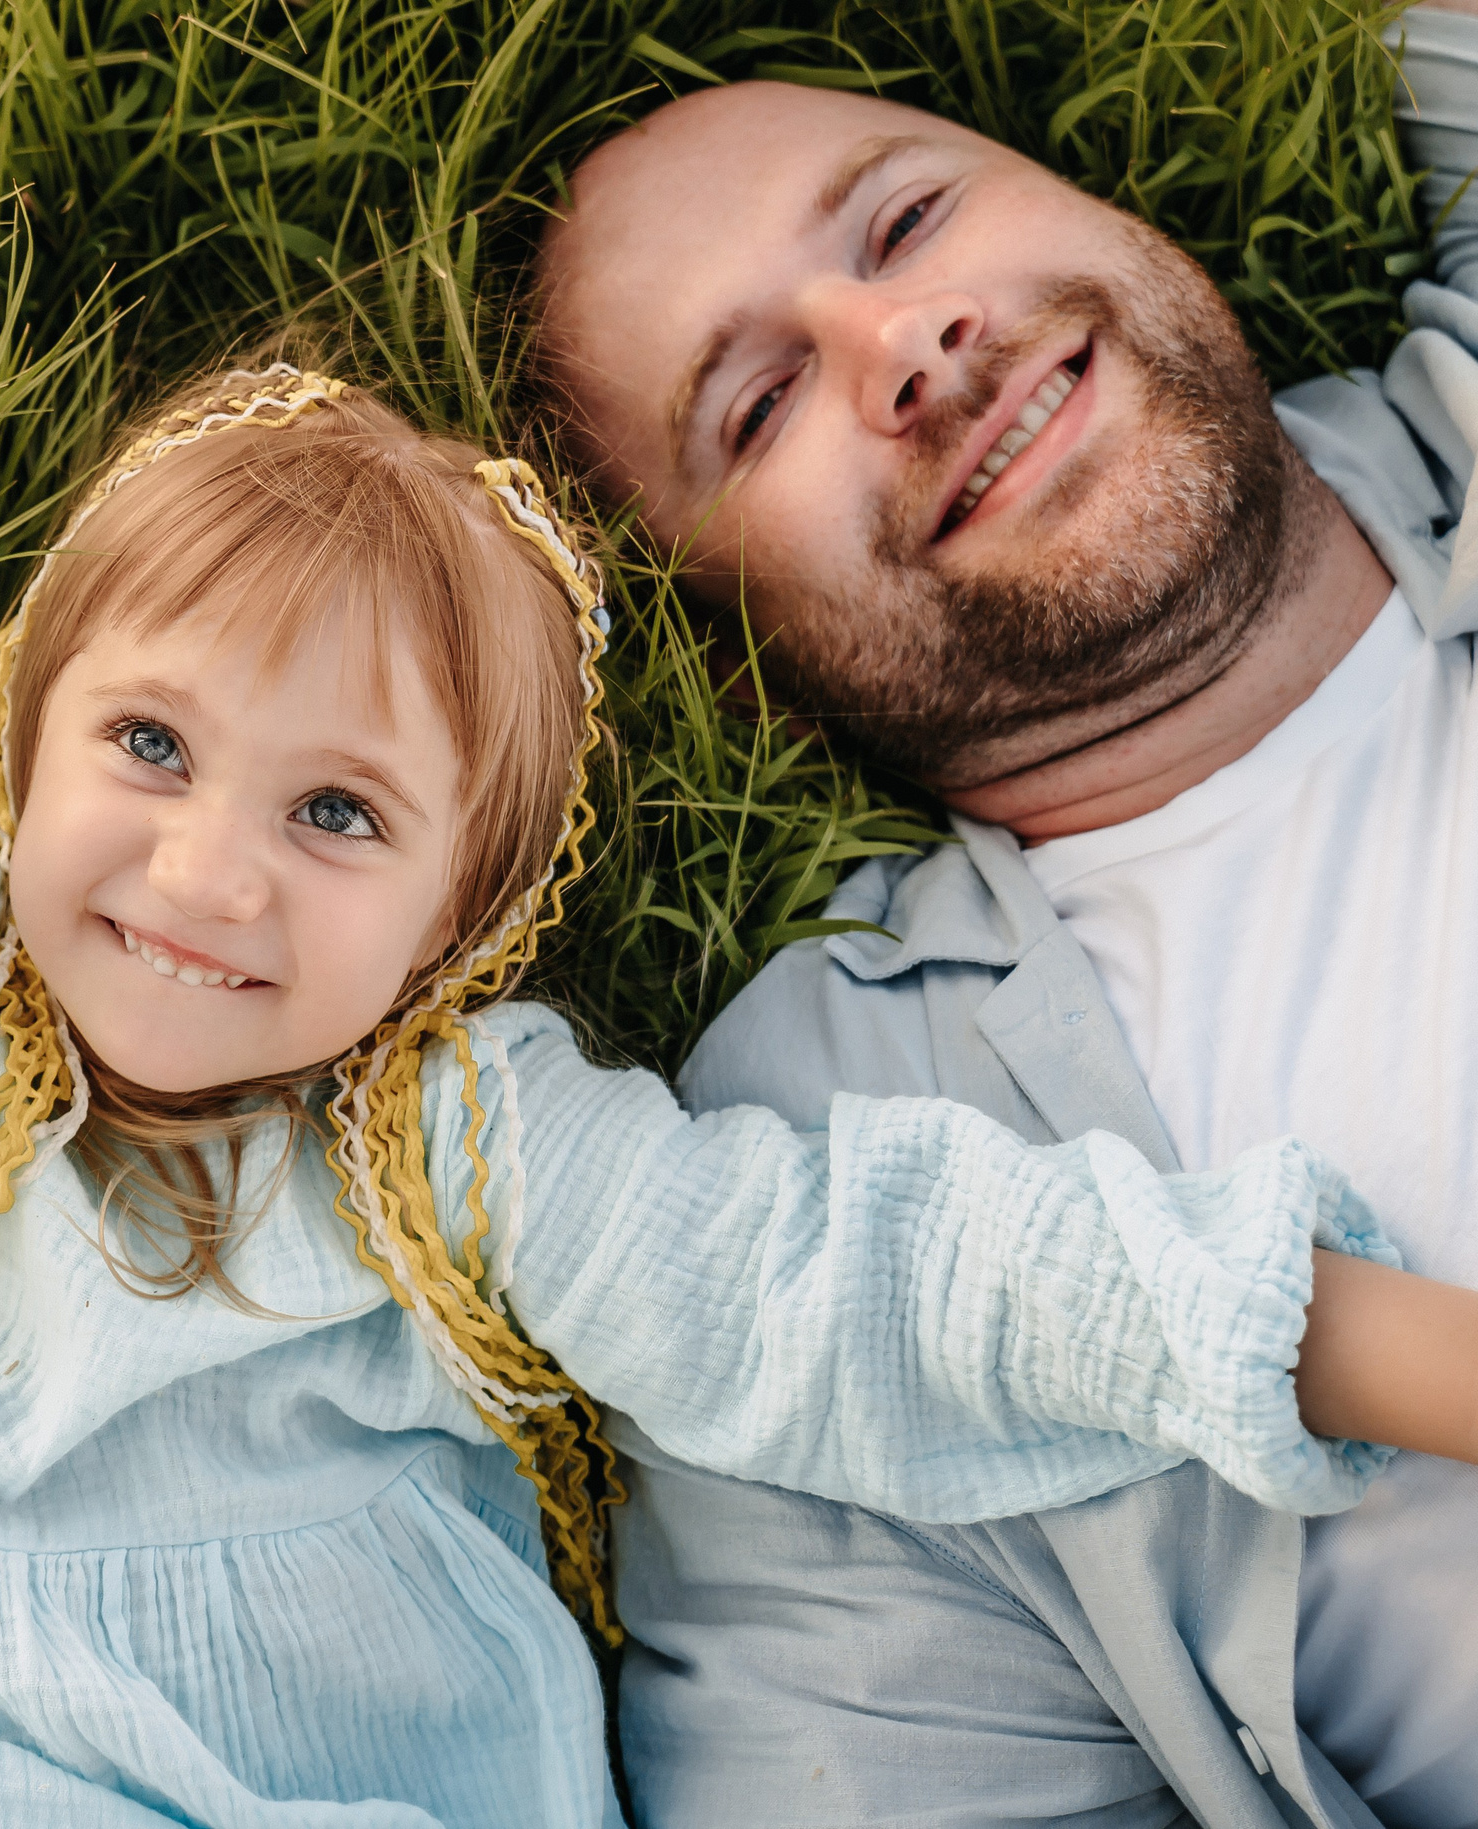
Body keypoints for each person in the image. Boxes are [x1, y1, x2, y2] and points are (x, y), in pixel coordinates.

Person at [0, 341, 1478, 1828]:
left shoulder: (458, 1147)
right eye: (145, 747)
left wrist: (1358, 1341)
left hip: (261, 1782)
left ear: (456, 915)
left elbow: (840, 1277)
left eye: (340, 817)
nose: (208, 872)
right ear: (20, 746)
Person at [534, 2, 1478, 1822]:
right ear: (738, 670)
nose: (903, 342)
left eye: (903, 221)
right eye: (759, 403)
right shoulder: (834, 1199)